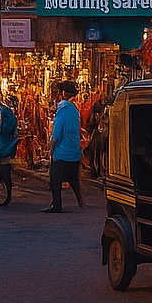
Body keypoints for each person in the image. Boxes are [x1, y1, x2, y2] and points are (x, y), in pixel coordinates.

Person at [43, 81, 84, 213]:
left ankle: (57, 205)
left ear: (63, 94)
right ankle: (80, 200)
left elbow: (57, 130)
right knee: (73, 177)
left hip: (62, 152)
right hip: (74, 151)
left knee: (55, 179)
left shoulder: (62, 108)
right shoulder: (74, 109)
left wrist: (51, 145)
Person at [0, 84, 17, 206]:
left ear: (0, 96)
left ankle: (2, 188)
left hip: (3, 143)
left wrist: (2, 133)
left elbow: (11, 124)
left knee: (1, 167)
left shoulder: (4, 110)